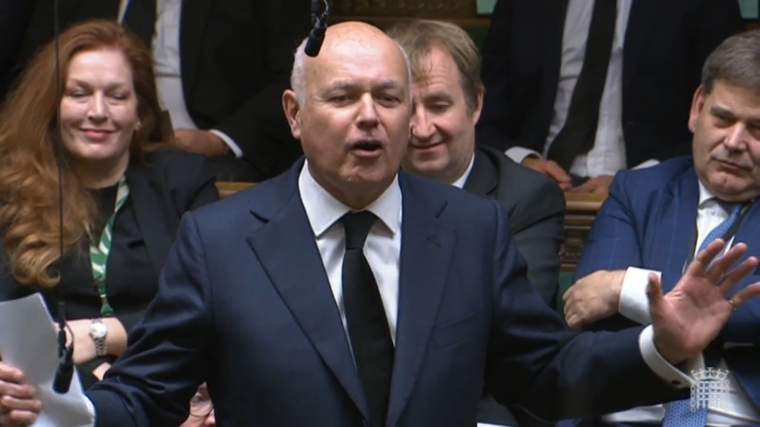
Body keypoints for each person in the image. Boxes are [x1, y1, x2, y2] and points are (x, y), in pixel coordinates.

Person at [2, 21, 760, 427]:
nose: (370, 117)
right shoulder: (223, 239)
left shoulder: (473, 230)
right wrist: (51, 409)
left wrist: (658, 346)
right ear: (295, 115)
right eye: (344, 97)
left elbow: (545, 378)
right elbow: (145, 398)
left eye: (390, 98)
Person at [0, 19, 218, 394]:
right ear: (52, 106)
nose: (98, 111)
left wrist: (100, 335)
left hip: (168, 387)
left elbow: (214, 302)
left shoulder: (183, 179)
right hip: (44, 391)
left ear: (140, 113)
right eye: (79, 93)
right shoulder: (10, 188)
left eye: (117, 96)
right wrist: (86, 377)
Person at [563, 30, 760, 425]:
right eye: (722, 118)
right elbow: (586, 305)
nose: (734, 141)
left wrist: (624, 288)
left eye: (757, 129)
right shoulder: (638, 191)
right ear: (697, 108)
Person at [386, 19, 563, 426]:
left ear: (476, 103)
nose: (422, 128)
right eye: (406, 107)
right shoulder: (361, 188)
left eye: (439, 105)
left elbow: (506, 344)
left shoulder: (525, 199)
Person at [7, 0, 312, 182]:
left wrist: (217, 140)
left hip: (214, 158)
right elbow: (36, 69)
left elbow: (292, 78)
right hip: (81, 147)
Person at [476, 0, 745, 193]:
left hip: (658, 191)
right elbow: (482, 112)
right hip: (532, 191)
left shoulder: (705, 5)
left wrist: (639, 180)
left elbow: (725, 117)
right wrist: (521, 162)